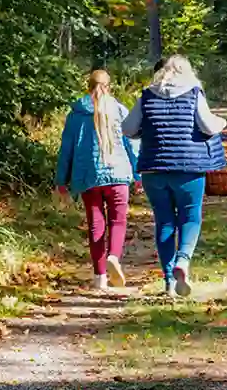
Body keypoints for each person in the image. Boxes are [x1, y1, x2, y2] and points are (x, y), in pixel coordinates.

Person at [122, 54, 227, 297]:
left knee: (165, 221)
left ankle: (169, 281)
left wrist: (146, 131)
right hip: (188, 169)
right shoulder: (193, 93)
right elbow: (208, 126)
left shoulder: (147, 95)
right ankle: (183, 260)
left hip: (154, 169)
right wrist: (221, 122)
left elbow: (128, 128)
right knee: (191, 217)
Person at [55, 69, 141, 291]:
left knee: (96, 224)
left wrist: (61, 180)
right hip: (118, 174)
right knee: (118, 221)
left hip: (88, 176)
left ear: (88, 86)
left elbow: (67, 150)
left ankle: (100, 277)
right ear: (109, 86)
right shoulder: (119, 110)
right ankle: (114, 256)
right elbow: (132, 144)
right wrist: (139, 173)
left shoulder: (76, 114)